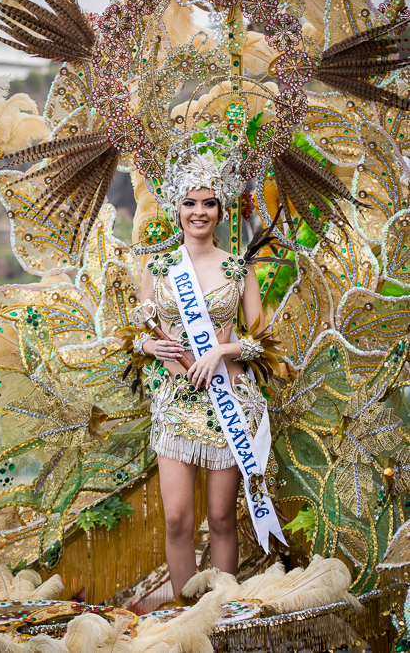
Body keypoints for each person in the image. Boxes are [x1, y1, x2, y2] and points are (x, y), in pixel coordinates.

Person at [135, 151, 267, 597]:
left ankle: (223, 621)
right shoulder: (157, 267)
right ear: (177, 209)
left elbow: (263, 341)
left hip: (226, 399)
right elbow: (138, 337)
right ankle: (186, 619)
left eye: (208, 203)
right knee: (177, 518)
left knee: (222, 517)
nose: (199, 212)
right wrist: (151, 344)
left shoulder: (238, 269)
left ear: (221, 211)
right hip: (175, 401)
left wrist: (223, 350)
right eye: (190, 203)